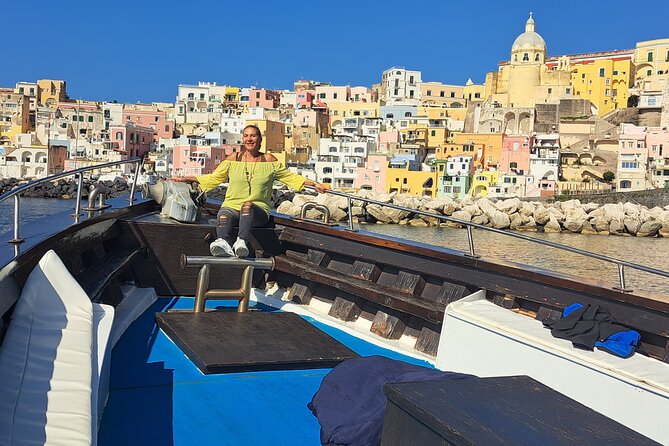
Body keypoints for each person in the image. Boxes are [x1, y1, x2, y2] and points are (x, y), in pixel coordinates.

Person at [173, 125, 325, 257]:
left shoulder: (268, 160)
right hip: (232, 207)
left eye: (253, 136)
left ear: (260, 139)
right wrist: (189, 178)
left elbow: (289, 177)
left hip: (257, 210)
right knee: (224, 213)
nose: (249, 139)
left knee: (248, 205)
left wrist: (314, 183)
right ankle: (223, 241)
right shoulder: (234, 158)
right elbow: (215, 178)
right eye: (246, 136)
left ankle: (242, 242)